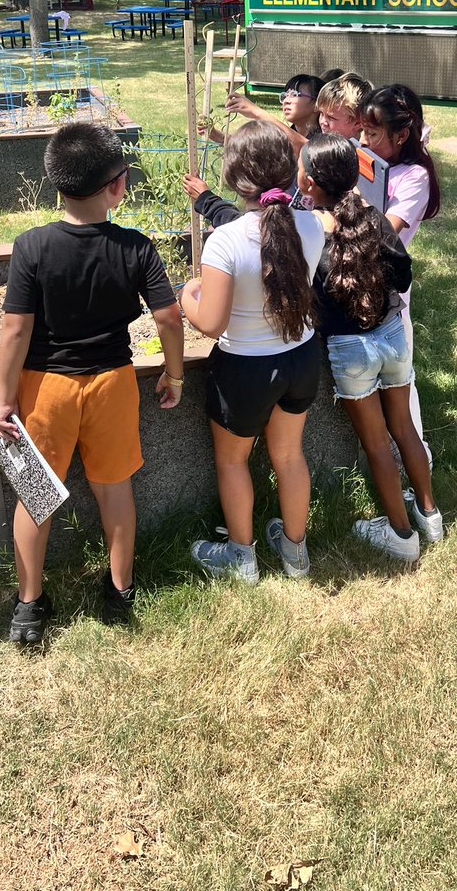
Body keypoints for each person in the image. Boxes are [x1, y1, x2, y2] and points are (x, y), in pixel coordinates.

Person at [0, 123, 184, 643]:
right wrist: (174, 373)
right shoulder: (135, 247)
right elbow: (168, 317)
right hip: (112, 383)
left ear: (56, 183)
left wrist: (5, 396)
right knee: (114, 489)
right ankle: (121, 591)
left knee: (36, 496)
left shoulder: (31, 246)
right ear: (117, 186)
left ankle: (29, 607)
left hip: (44, 387)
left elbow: (15, 328)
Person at [180, 122, 325, 584]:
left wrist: (187, 293)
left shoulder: (224, 241)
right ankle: (296, 555)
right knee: (289, 456)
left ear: (232, 176)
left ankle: (242, 559)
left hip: (244, 370)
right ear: (289, 170)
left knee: (232, 460)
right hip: (301, 359)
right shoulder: (311, 223)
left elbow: (210, 322)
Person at [298, 133, 442, 560]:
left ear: (308, 183)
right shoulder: (376, 219)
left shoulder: (308, 228)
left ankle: (400, 536)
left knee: (377, 442)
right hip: (393, 335)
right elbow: (403, 273)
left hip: (349, 348)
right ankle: (430, 516)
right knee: (404, 428)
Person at [357, 85, 440, 471]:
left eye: (372, 134)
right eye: (362, 132)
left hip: (389, 295)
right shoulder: (369, 159)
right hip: (356, 287)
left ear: (401, 135)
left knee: (401, 389)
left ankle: (415, 467)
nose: (363, 141)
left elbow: (386, 231)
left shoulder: (415, 177)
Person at [211, 73, 323, 156]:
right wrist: (217, 136)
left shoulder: (325, 139)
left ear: (317, 104)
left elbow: (305, 149)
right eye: (285, 95)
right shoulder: (289, 133)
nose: (286, 101)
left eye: (294, 95)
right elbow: (255, 148)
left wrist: (256, 112)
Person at [316, 72, 371, 140]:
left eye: (331, 118)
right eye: (321, 113)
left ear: (357, 123)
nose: (322, 122)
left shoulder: (365, 150)